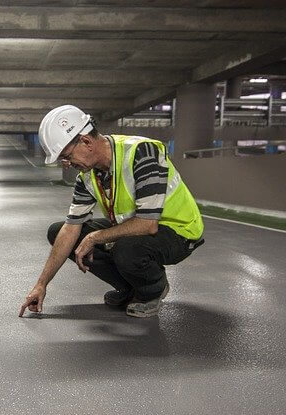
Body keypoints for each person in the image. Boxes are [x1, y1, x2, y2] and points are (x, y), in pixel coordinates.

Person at [19, 105, 204, 318]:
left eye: (67, 156)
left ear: (86, 142)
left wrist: (96, 237)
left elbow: (148, 224)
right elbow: (71, 229)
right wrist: (41, 284)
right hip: (138, 228)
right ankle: (129, 287)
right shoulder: (87, 176)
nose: (67, 165)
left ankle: (151, 290)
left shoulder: (142, 152)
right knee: (58, 232)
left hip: (178, 231)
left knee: (125, 247)